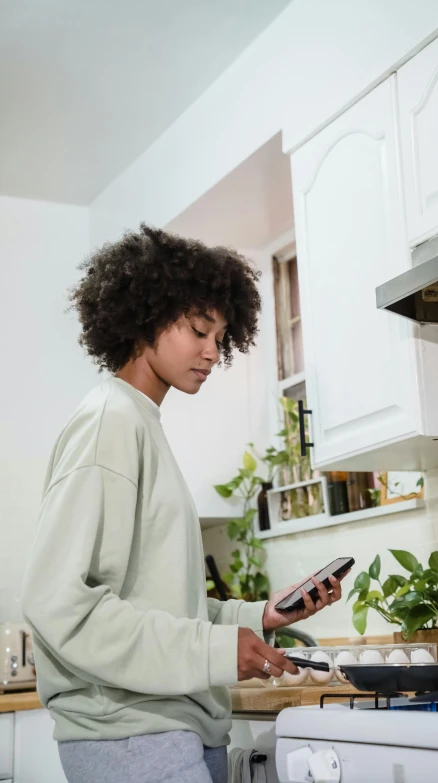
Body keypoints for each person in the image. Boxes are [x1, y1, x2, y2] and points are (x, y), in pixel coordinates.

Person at [22, 225, 348, 783]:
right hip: (132, 737)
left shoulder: (138, 423)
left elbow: (157, 602)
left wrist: (259, 617)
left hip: (169, 729)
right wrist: (214, 651)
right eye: (200, 330)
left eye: (221, 337)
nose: (212, 352)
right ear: (144, 317)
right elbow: (59, 604)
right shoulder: (111, 422)